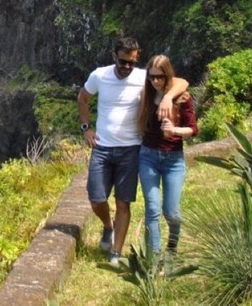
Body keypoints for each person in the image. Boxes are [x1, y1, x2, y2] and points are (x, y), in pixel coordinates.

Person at [77, 37, 188, 265]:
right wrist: (86, 128)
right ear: (113, 56)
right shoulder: (100, 75)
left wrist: (167, 97)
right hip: (102, 147)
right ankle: (109, 226)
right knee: (97, 199)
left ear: (137, 59)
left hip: (131, 149)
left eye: (131, 62)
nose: (127, 66)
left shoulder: (142, 77)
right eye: (122, 61)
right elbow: (83, 97)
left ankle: (116, 253)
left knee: (123, 202)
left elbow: (181, 82)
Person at [137, 54, 198, 261]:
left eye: (160, 77)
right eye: (152, 77)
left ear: (167, 75)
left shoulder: (182, 98)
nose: (156, 81)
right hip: (148, 157)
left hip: (173, 159)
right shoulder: (146, 96)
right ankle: (153, 258)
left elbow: (193, 129)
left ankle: (172, 248)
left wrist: (175, 130)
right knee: (152, 209)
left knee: (171, 212)